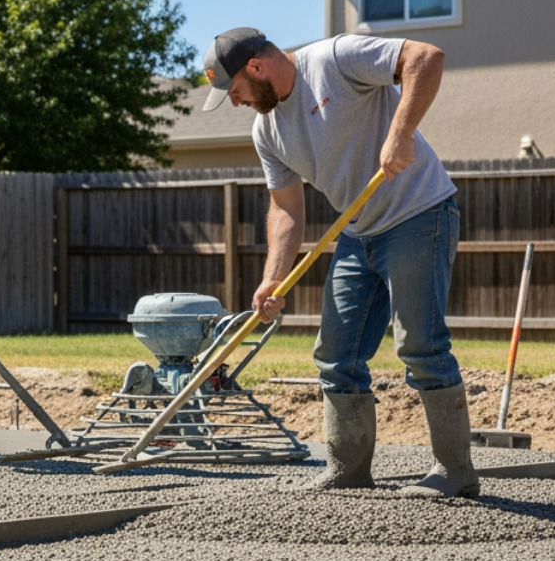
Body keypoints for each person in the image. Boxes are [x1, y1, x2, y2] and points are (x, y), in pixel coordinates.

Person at [202, 27, 476, 497]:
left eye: (235, 91)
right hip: (358, 232)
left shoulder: (334, 58)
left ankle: (455, 471)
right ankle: (349, 470)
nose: (235, 101)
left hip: (418, 213)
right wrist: (273, 277)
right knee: (336, 355)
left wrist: (401, 132)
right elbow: (286, 206)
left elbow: (426, 57)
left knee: (420, 346)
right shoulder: (267, 130)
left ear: (256, 67)